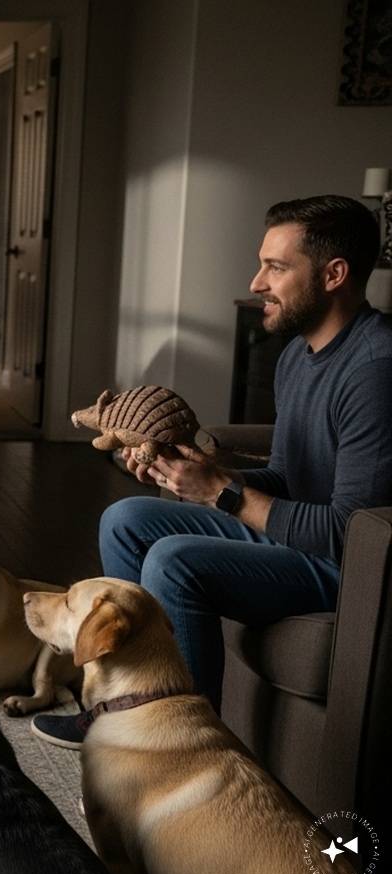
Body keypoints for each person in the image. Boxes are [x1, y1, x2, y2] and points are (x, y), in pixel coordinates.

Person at [32, 195, 392, 749]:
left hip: (353, 570)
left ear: (334, 274)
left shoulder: (375, 372)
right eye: (261, 263)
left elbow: (351, 536)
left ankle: (182, 749)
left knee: (175, 562)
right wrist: (201, 473)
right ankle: (120, 707)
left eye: (276, 266)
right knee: (125, 519)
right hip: (306, 538)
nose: (256, 281)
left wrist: (222, 494)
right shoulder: (299, 355)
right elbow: (291, 478)